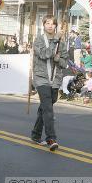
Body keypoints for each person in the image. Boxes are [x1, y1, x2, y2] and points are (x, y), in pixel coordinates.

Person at [30, 16, 68, 151]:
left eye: (53, 24)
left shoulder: (62, 43)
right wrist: (55, 41)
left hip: (55, 79)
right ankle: (51, 138)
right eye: (47, 23)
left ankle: (35, 134)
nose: (50, 26)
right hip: (41, 78)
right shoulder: (39, 40)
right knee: (48, 108)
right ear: (44, 25)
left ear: (56, 26)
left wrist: (59, 59)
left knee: (46, 106)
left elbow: (65, 63)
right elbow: (44, 54)